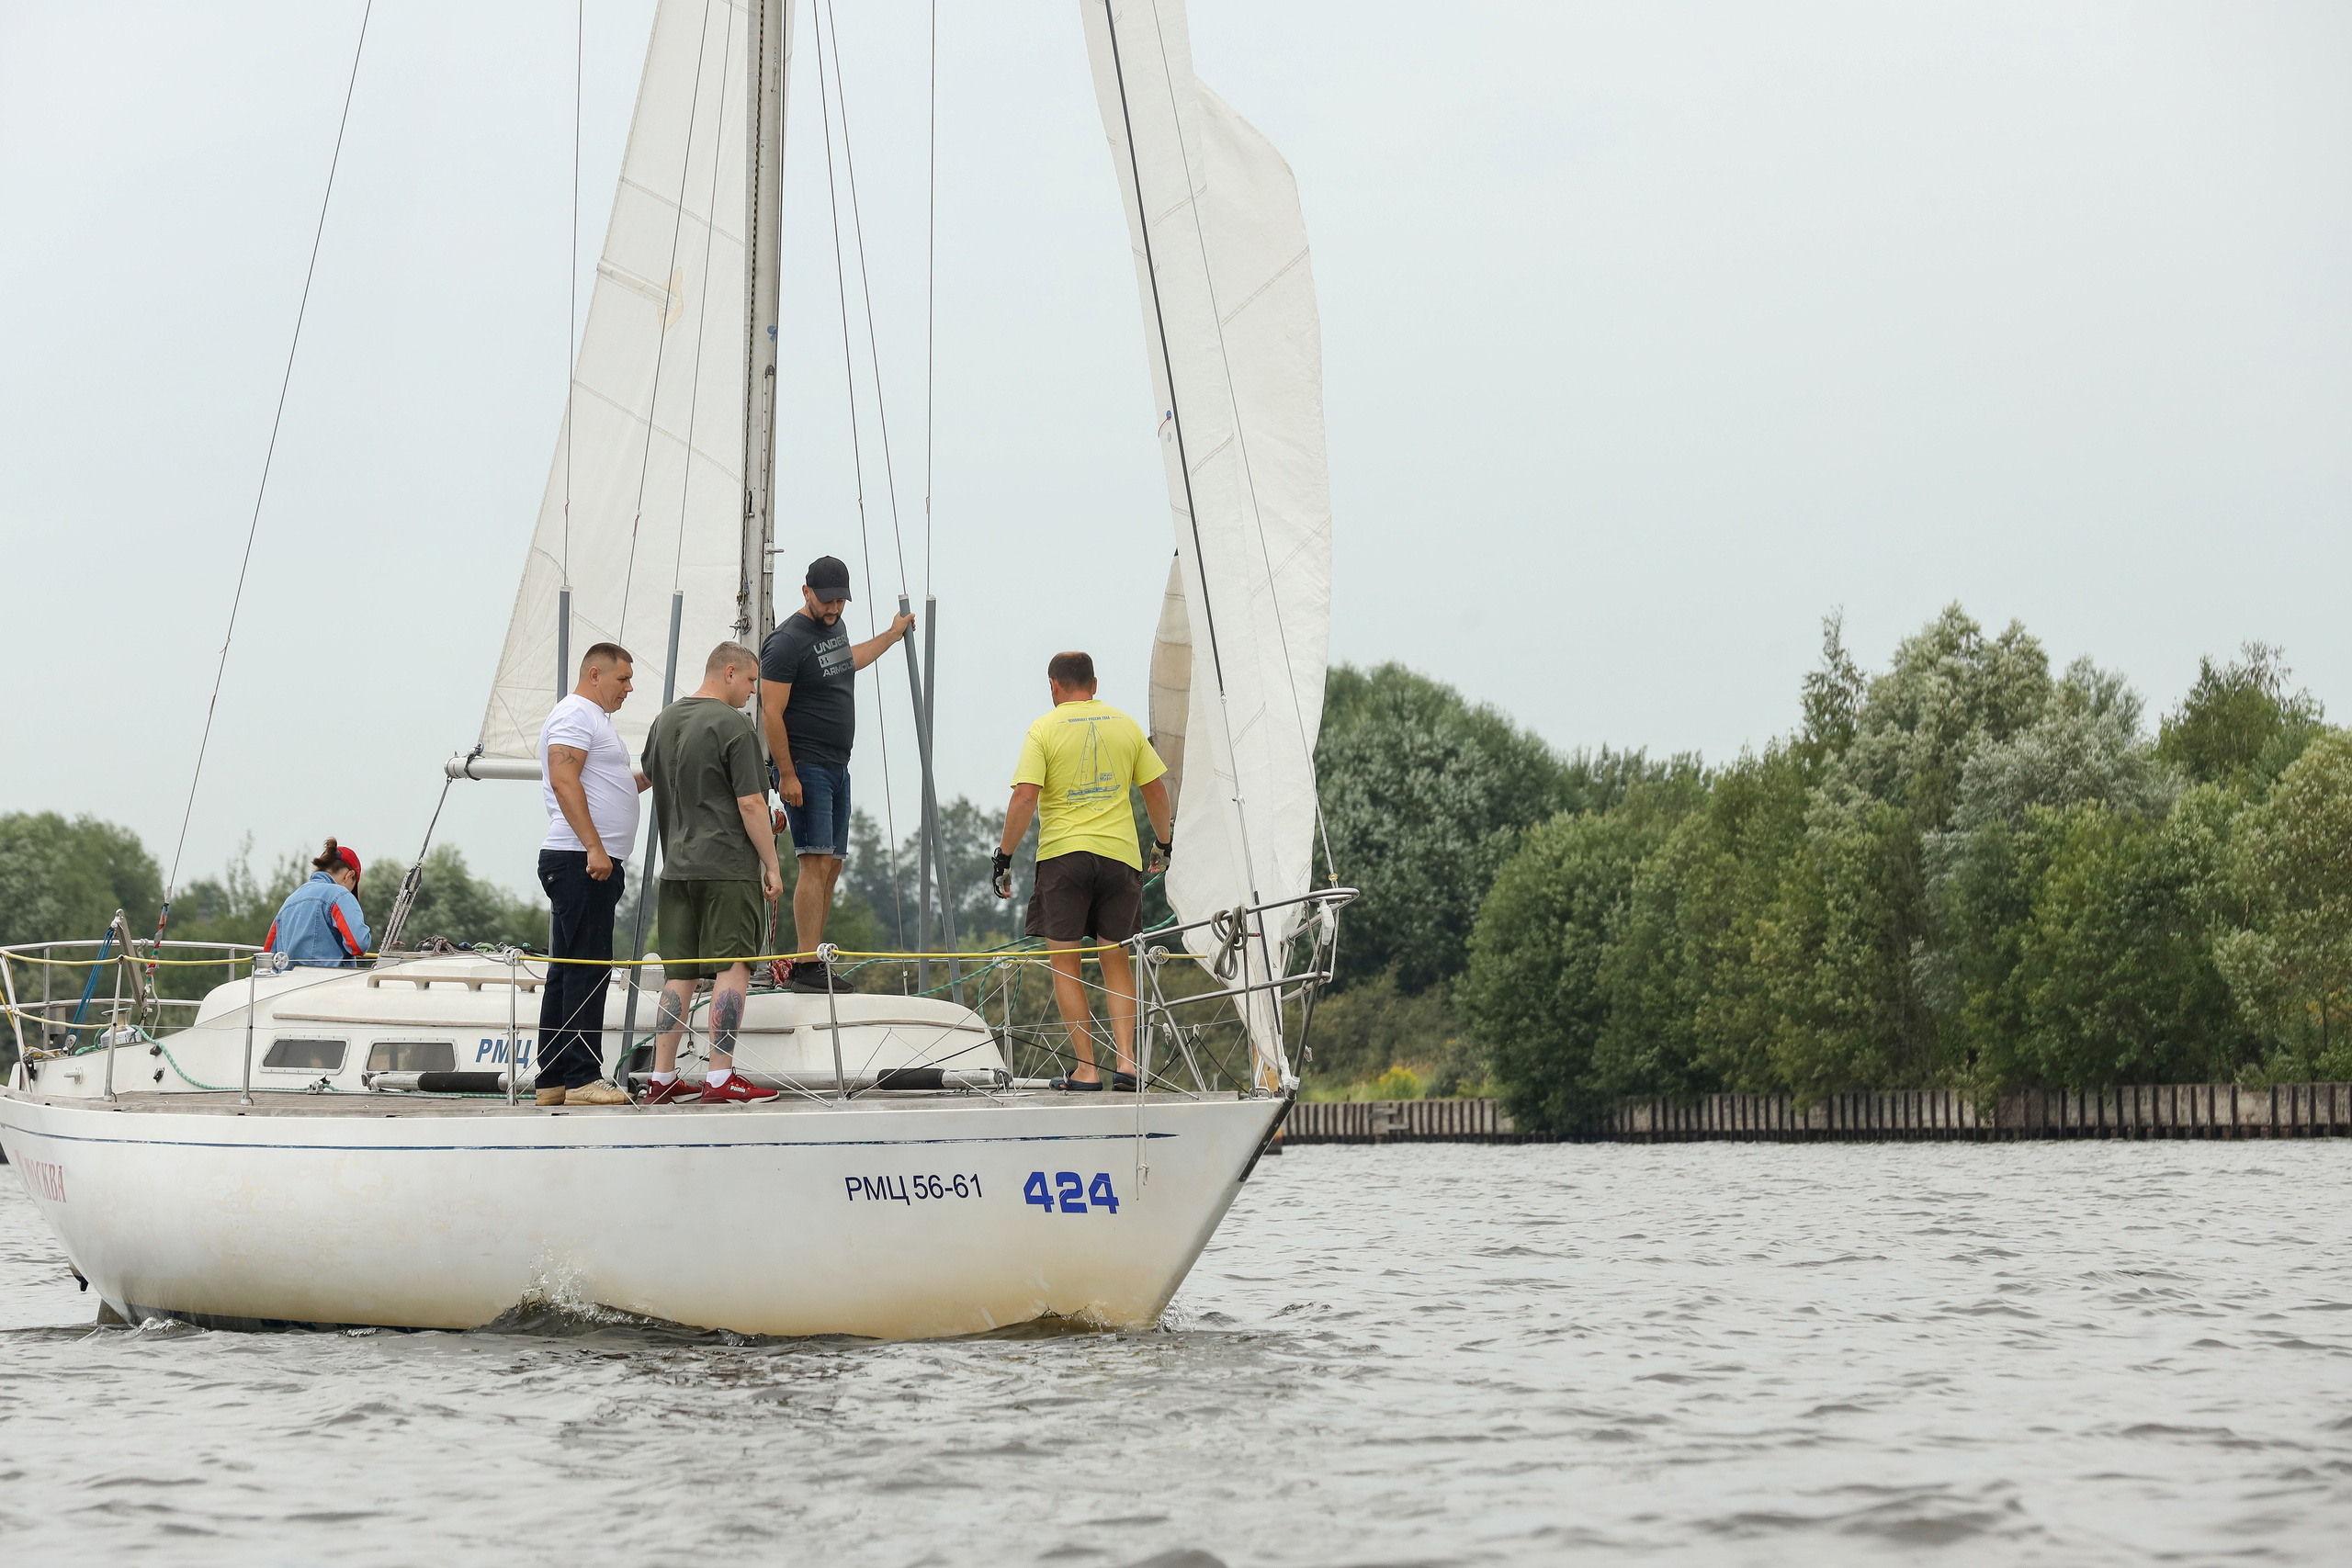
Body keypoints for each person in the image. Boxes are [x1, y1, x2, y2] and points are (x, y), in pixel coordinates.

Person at [993, 651, 1172, 1090]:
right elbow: (1155, 790)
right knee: (1116, 961)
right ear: (1095, 684)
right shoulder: (1125, 725)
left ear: (1053, 686)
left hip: (1065, 858)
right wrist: (1163, 844)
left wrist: (1003, 857)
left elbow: (1024, 798)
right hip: (1120, 857)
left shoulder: (1043, 729)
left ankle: (1088, 1070)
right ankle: (1128, 1065)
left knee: (1066, 965)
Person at [758, 555, 912, 993]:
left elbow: (849, 660)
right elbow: (771, 713)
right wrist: (787, 776)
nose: (834, 609)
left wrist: (891, 636)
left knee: (833, 865)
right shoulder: (786, 642)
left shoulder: (836, 627)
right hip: (804, 765)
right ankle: (806, 964)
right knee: (814, 860)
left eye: (841, 601)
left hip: (837, 764)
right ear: (806, 592)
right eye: (827, 601)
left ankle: (815, 956)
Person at [642, 642, 786, 1104]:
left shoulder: (663, 721)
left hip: (676, 868)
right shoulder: (733, 726)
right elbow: (751, 802)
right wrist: (773, 863)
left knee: (678, 973)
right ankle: (721, 1078)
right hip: (727, 867)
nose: (751, 693)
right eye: (749, 682)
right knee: (733, 967)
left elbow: (647, 778)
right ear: (729, 673)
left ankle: (660, 1079)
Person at [533, 641, 651, 1108]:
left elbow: (604, 782)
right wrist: (595, 848)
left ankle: (553, 1078)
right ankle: (583, 1075)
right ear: (595, 673)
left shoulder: (595, 721)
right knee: (588, 967)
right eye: (622, 679)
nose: (628, 688)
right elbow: (564, 779)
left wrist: (648, 777)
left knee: (567, 968)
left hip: (582, 859)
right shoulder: (576, 715)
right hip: (581, 861)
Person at [265, 840, 372, 967]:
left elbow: (268, 955)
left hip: (288, 983)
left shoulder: (289, 901)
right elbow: (359, 945)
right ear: (349, 875)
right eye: (352, 887)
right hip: (328, 983)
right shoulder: (340, 894)